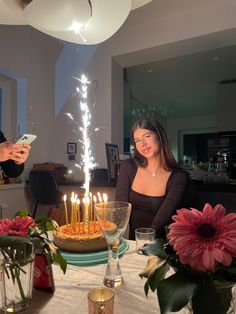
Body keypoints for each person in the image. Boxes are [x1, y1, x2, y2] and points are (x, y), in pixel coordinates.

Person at [115, 118, 197, 240]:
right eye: (137, 140)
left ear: (159, 136)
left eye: (147, 136)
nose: (142, 143)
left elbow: (159, 223)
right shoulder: (128, 167)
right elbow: (119, 210)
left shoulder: (178, 177)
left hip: (163, 250)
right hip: (133, 247)